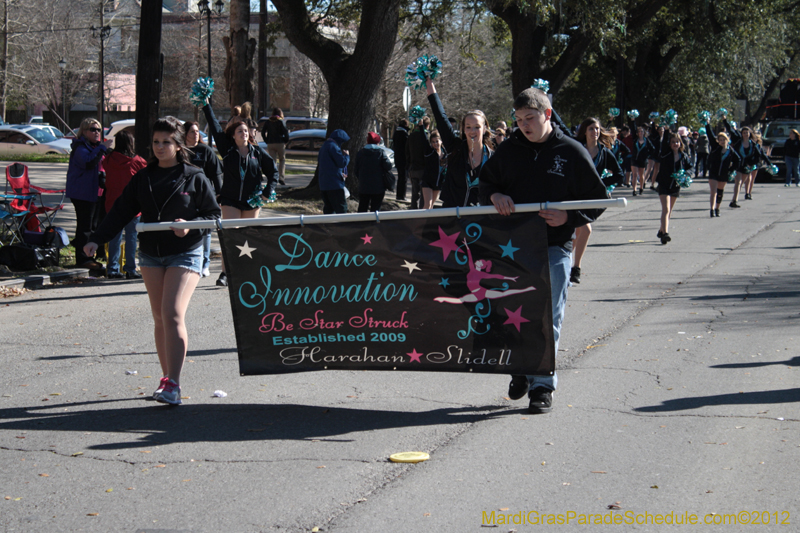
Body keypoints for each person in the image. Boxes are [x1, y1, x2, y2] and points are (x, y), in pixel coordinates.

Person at [479, 87, 609, 414]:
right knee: (511, 317)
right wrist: (494, 196)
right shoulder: (508, 150)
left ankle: (542, 387)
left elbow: (598, 199)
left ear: (547, 115)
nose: (524, 125)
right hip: (514, 249)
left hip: (555, 247)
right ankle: (522, 369)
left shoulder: (571, 151)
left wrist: (570, 216)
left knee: (548, 317)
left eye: (530, 118)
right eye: (519, 119)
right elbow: (486, 183)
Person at [84, 116, 221, 405]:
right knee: (160, 317)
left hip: (186, 251)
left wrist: (190, 224)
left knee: (172, 312)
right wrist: (97, 238)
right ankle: (166, 377)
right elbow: (121, 210)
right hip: (150, 254)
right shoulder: (144, 176)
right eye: (156, 142)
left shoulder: (194, 175)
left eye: (166, 142)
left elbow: (214, 217)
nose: (160, 147)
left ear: (178, 144)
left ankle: (174, 384)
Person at [203, 100, 277, 287]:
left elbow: (273, 172)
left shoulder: (257, 153)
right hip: (230, 201)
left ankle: (246, 272)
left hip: (252, 201)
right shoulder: (227, 151)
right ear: (233, 136)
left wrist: (267, 192)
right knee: (230, 236)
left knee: (247, 239)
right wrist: (206, 105)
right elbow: (213, 125)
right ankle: (225, 274)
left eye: (246, 131)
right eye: (239, 131)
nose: (244, 133)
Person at [570, 118, 623, 284]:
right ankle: (571, 266)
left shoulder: (605, 153)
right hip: (573, 196)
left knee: (581, 231)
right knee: (582, 230)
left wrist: (600, 184)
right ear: (585, 131)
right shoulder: (577, 149)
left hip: (591, 200)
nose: (595, 132)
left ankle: (572, 266)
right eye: (591, 129)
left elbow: (619, 175)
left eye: (597, 129)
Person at [426, 80, 493, 208]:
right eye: (468, 127)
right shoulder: (455, 148)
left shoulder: (493, 158)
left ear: (484, 129)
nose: (472, 131)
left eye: (477, 127)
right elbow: (441, 117)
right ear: (463, 129)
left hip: (480, 221)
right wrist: (429, 83)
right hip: (452, 218)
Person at [66, 118, 110, 269]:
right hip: (82, 193)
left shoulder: (95, 147)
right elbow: (88, 163)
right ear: (84, 132)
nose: (97, 132)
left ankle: (96, 254)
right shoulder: (80, 148)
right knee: (85, 227)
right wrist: (102, 148)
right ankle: (82, 259)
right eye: (93, 129)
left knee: (96, 225)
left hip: (97, 192)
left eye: (99, 130)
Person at [102, 130, 146, 279]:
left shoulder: (108, 160)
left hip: (112, 203)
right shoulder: (137, 161)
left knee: (114, 237)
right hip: (132, 204)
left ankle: (113, 268)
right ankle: (130, 268)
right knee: (131, 237)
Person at [184, 121, 223, 278]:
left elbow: (216, 173)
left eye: (197, 131)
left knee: (206, 230)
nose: (195, 134)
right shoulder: (180, 151)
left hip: (205, 195)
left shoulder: (205, 150)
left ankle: (204, 263)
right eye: (192, 131)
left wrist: (219, 194)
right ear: (184, 134)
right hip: (185, 197)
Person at [655, 133, 692, 244]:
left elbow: (690, 167)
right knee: (665, 209)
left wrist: (687, 174)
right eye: (673, 142)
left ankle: (661, 230)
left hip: (675, 186)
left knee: (669, 211)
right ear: (669, 144)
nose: (675, 144)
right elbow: (664, 143)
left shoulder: (683, 156)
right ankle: (665, 234)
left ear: (680, 143)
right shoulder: (665, 154)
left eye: (677, 142)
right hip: (664, 184)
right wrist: (667, 129)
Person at [703, 118, 742, 218]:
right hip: (714, 172)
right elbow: (710, 135)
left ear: (727, 140)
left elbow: (738, 160)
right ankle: (711, 209)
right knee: (713, 191)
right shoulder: (715, 147)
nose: (721, 141)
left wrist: (731, 170)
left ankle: (717, 208)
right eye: (720, 140)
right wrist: (707, 124)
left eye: (723, 139)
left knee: (720, 192)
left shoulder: (731, 151)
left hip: (724, 174)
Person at [725, 121, 772, 204]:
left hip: (747, 166)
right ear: (742, 134)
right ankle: (734, 201)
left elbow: (760, 154)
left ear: (750, 134)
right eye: (744, 133)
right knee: (738, 182)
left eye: (747, 133)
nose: (746, 134)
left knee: (741, 183)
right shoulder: (738, 142)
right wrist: (724, 120)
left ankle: (737, 197)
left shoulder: (753, 144)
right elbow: (730, 130)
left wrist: (769, 163)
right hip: (739, 165)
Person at [355, 132, 392, 212]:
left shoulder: (360, 153)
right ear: (377, 142)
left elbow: (356, 170)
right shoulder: (380, 152)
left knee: (362, 207)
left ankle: (360, 223)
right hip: (378, 186)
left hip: (363, 186)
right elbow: (388, 166)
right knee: (376, 208)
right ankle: (374, 223)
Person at [318, 129, 350, 214]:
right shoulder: (333, 147)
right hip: (334, 184)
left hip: (324, 184)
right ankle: (342, 226)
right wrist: (346, 156)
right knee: (341, 207)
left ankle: (328, 225)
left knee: (329, 208)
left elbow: (328, 165)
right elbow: (342, 163)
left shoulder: (324, 146)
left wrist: (339, 173)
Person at [405, 115, 430, 209]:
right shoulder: (426, 136)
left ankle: (413, 211)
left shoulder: (411, 136)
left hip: (413, 168)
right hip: (423, 168)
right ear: (427, 126)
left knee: (415, 193)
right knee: (424, 194)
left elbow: (406, 152)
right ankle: (421, 213)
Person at [261, 108, 289, 185]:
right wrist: (285, 140)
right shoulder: (280, 121)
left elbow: (263, 132)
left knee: (273, 161)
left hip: (270, 143)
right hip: (280, 143)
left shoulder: (268, 122)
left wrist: (266, 140)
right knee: (282, 160)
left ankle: (273, 177)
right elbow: (285, 132)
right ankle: (281, 178)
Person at [421, 129, 447, 209]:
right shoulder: (430, 152)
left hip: (438, 183)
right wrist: (421, 126)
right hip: (428, 182)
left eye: (437, 141)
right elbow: (424, 139)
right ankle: (420, 221)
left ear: (441, 141)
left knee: (431, 205)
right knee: (427, 205)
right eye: (433, 142)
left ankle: (428, 221)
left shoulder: (445, 153)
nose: (435, 143)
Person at [630, 125, 655, 196]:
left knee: (641, 174)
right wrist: (633, 121)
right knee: (634, 174)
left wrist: (647, 155)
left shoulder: (647, 141)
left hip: (643, 160)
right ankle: (634, 189)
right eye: (639, 132)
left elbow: (653, 149)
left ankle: (641, 188)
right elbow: (633, 128)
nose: (641, 133)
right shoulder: (635, 139)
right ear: (637, 133)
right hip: (635, 159)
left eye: (642, 131)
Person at [392, 119, 410, 200]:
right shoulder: (404, 134)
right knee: (404, 178)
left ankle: (399, 195)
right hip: (403, 159)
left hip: (398, 158)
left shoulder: (396, 133)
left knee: (400, 177)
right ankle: (402, 195)